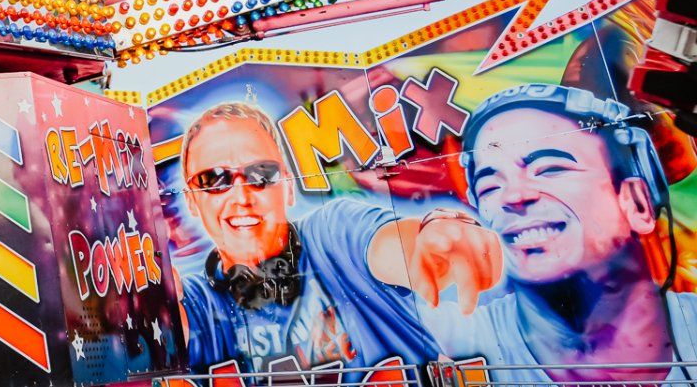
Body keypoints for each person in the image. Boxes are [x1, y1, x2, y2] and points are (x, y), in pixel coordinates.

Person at [174, 102, 502, 374]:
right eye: (213, 179)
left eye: (262, 174)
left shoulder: (333, 232)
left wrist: (435, 240)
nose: (241, 197)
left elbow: (394, 247)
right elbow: (164, 328)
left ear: (288, 186)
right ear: (191, 199)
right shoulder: (198, 302)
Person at [428, 84, 697, 383]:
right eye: (489, 186)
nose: (514, 196)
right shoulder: (454, 345)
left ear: (637, 203)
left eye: (548, 169)